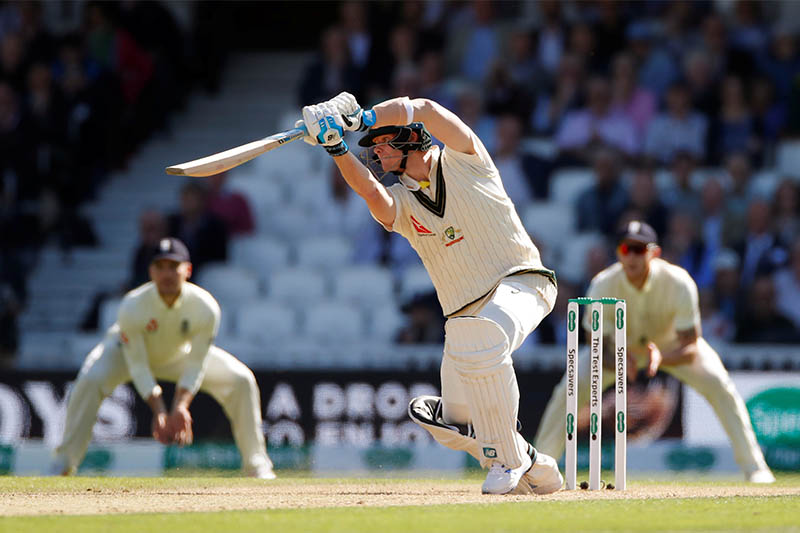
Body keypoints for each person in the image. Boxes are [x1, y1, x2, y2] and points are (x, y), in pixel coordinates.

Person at [296, 92, 562, 495]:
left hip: (523, 282)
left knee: (483, 334)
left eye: (384, 143)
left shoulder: (466, 160)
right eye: (374, 146)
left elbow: (427, 110)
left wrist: (366, 116)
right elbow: (371, 193)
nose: (377, 152)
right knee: (449, 422)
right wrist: (336, 148)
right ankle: (529, 460)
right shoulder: (402, 202)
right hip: (462, 318)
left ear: (411, 141)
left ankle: (506, 461)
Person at [533, 221, 776, 484]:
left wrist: (659, 358)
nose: (632, 256)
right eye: (627, 248)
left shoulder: (678, 281)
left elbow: (691, 345)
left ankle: (754, 467)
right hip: (616, 352)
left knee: (720, 385)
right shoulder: (602, 284)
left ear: (655, 253)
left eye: (640, 249)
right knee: (569, 387)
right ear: (618, 252)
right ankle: (539, 468)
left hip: (672, 348)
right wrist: (619, 363)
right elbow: (595, 345)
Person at [51, 237, 275, 479]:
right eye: (160, 267)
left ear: (187, 270)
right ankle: (63, 463)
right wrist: (159, 410)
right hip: (122, 354)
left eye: (173, 266)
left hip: (179, 355)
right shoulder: (133, 305)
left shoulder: (205, 307)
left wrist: (180, 406)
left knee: (241, 380)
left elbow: (197, 362)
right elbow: (137, 364)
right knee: (91, 379)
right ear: (151, 271)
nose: (167, 274)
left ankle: (257, 464)